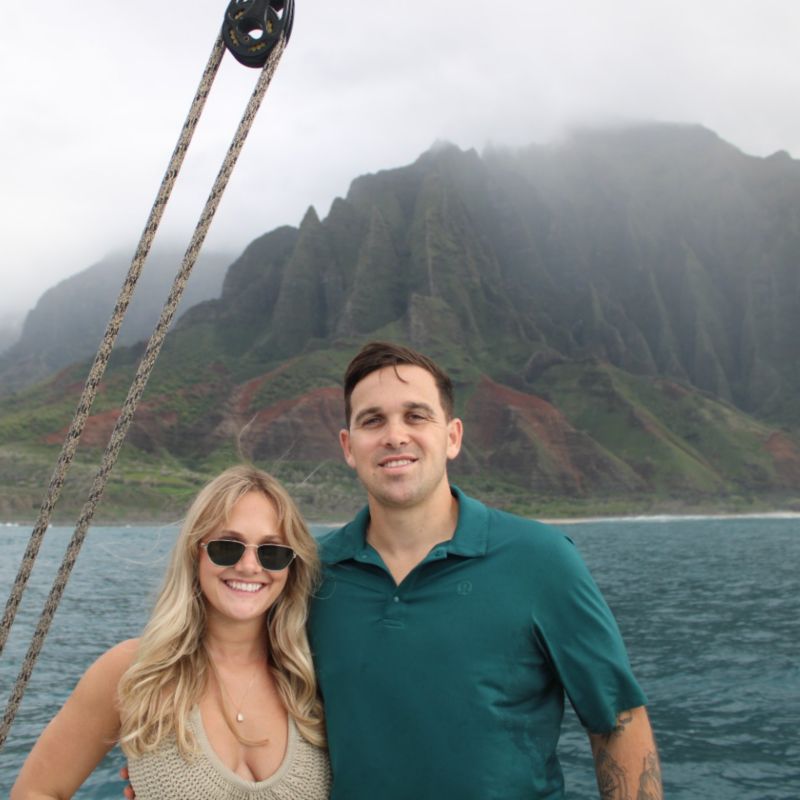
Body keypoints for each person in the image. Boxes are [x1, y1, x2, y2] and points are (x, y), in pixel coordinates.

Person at [306, 340, 663, 799]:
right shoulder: (311, 573)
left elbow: (617, 721)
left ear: (452, 437)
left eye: (416, 416)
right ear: (348, 446)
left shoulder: (541, 560)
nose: (395, 435)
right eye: (372, 420)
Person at [11, 465, 330, 799]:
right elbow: (35, 791)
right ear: (195, 552)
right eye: (227, 547)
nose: (250, 566)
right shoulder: (133, 671)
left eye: (273, 552)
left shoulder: (317, 677)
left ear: (292, 567)